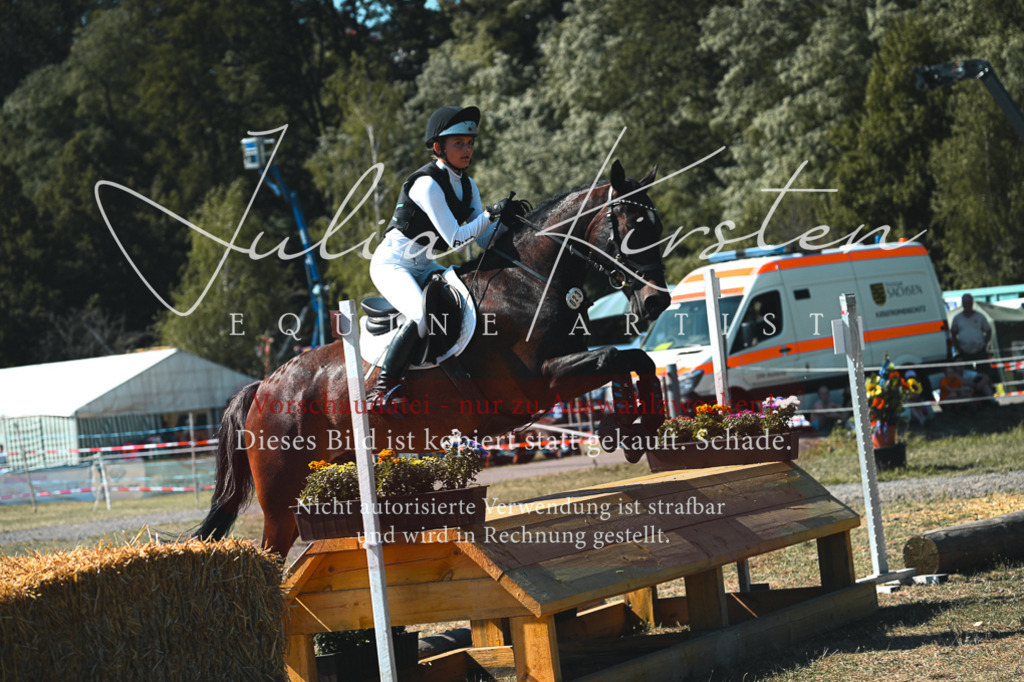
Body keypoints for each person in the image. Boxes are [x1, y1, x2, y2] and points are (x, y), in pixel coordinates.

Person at [367, 105, 514, 409]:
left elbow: (484, 238)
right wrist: (489, 214)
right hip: (393, 264)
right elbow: (457, 239)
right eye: (458, 143)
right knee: (421, 315)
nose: (467, 149)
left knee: (469, 297)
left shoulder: (468, 185)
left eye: (470, 143)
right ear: (438, 147)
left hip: (423, 265)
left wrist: (507, 222)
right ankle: (383, 388)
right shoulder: (427, 184)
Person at [951, 293, 993, 371]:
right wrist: (958, 348)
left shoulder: (980, 316)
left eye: (969, 302)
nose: (967, 305)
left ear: (972, 303)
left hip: (979, 351)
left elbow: (988, 330)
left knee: (984, 372)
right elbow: (953, 334)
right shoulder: (957, 318)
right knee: (968, 373)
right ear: (962, 304)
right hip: (965, 352)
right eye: (965, 303)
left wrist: (985, 343)